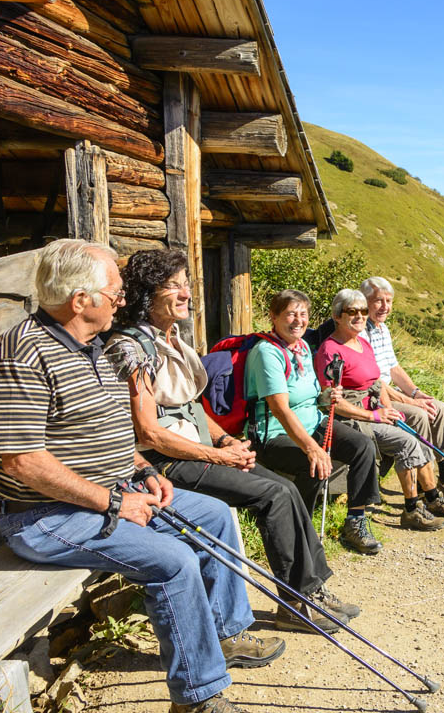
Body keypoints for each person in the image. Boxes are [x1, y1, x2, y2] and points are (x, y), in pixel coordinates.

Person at [0, 239, 281, 713]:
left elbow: (114, 433)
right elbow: (21, 461)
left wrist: (141, 470)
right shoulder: (24, 353)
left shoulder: (93, 349)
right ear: (82, 300)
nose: (122, 302)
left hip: (114, 492)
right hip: (45, 516)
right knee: (174, 560)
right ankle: (197, 697)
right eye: (116, 294)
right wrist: (113, 502)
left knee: (215, 515)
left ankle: (226, 636)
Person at [104, 249, 360, 633]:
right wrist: (216, 456)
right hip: (164, 461)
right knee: (272, 496)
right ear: (147, 293)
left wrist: (225, 440)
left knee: (284, 489)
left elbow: (189, 406)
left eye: (185, 285)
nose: (186, 294)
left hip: (198, 449)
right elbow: (149, 432)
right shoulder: (132, 347)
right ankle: (299, 602)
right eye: (173, 286)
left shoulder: (170, 340)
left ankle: (309, 591)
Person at [315, 289, 444, 531]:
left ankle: (429, 498)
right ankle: (413, 509)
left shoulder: (362, 343)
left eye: (363, 311)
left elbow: (376, 383)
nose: (360, 316)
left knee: (414, 432)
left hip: (374, 410)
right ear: (337, 316)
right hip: (353, 418)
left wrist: (386, 407)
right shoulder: (331, 351)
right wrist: (375, 415)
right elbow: (330, 402)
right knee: (407, 442)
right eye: (352, 311)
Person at [245, 289, 381, 555]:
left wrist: (327, 396)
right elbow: (281, 410)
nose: (298, 320)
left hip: (313, 423)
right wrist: (311, 447)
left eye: (303, 314)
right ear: (273, 317)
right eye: (291, 314)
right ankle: (299, 530)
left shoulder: (303, 347)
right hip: (273, 434)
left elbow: (311, 398)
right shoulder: (267, 353)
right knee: (315, 463)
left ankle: (356, 520)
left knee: (362, 445)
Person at [359, 276, 444, 498]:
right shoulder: (361, 332)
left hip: (389, 392)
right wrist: (412, 402)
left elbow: (394, 368)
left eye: (389, 301)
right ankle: (425, 484)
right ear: (364, 301)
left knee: (438, 407)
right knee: (419, 413)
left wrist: (416, 392)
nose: (385, 306)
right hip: (376, 397)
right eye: (378, 301)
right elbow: (377, 382)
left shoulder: (382, 328)